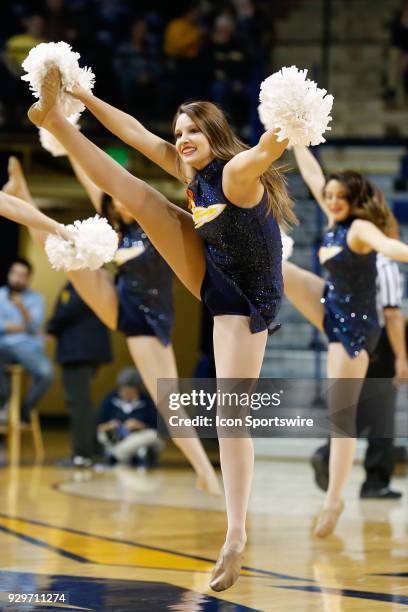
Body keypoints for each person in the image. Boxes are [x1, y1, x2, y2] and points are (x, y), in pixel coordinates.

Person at [27, 65, 297, 592]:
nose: (181, 141)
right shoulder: (190, 172)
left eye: (192, 131)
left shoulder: (236, 173)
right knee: (135, 194)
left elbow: (264, 151)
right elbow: (135, 133)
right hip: (213, 271)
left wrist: (286, 126)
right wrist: (84, 94)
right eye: (178, 133)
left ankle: (235, 533)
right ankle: (58, 122)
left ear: (214, 134)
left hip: (245, 302)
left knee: (231, 416)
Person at [4, 156, 220, 496]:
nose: (119, 202)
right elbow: (94, 182)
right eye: (114, 199)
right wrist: (67, 143)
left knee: (170, 402)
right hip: (120, 303)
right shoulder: (117, 232)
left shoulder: (158, 226)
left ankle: (204, 469)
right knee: (66, 253)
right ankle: (21, 196)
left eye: (123, 196)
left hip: (149, 323)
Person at [283, 145, 408, 538]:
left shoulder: (358, 228)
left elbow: (391, 247)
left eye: (340, 197)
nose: (332, 201)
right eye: (330, 197)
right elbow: (313, 176)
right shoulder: (333, 221)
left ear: (354, 201)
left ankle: (334, 498)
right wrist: (297, 140)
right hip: (330, 306)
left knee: (342, 418)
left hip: (355, 330)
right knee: (276, 267)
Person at [311, 253, 408, 499]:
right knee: (381, 413)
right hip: (380, 341)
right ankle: (373, 480)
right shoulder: (385, 265)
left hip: (353, 334)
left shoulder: (349, 260)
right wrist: (401, 357)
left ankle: (331, 453)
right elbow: (392, 314)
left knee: (367, 406)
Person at [47, 281, 112, 467]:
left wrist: (50, 327)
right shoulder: (98, 276)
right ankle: (92, 450)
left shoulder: (81, 276)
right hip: (86, 351)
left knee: (78, 404)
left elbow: (69, 308)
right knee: (82, 403)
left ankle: (82, 455)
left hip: (78, 351)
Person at [0, 257, 53, 423]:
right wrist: (24, 328)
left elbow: (33, 326)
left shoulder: (37, 299)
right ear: (9, 274)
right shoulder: (0, 295)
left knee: (47, 374)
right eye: (14, 273)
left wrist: (21, 308)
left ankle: (23, 412)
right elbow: (32, 329)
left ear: (28, 278)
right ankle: (4, 402)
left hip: (28, 349)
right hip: (3, 347)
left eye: (22, 275)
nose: (17, 278)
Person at [97, 367, 163, 466]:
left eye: (129, 391)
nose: (125, 394)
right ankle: (135, 454)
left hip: (138, 437)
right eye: (123, 390)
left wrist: (140, 426)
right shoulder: (110, 399)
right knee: (102, 435)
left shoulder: (147, 401)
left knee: (152, 436)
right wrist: (110, 426)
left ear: (137, 389)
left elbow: (157, 429)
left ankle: (116, 455)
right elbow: (99, 425)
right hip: (116, 438)